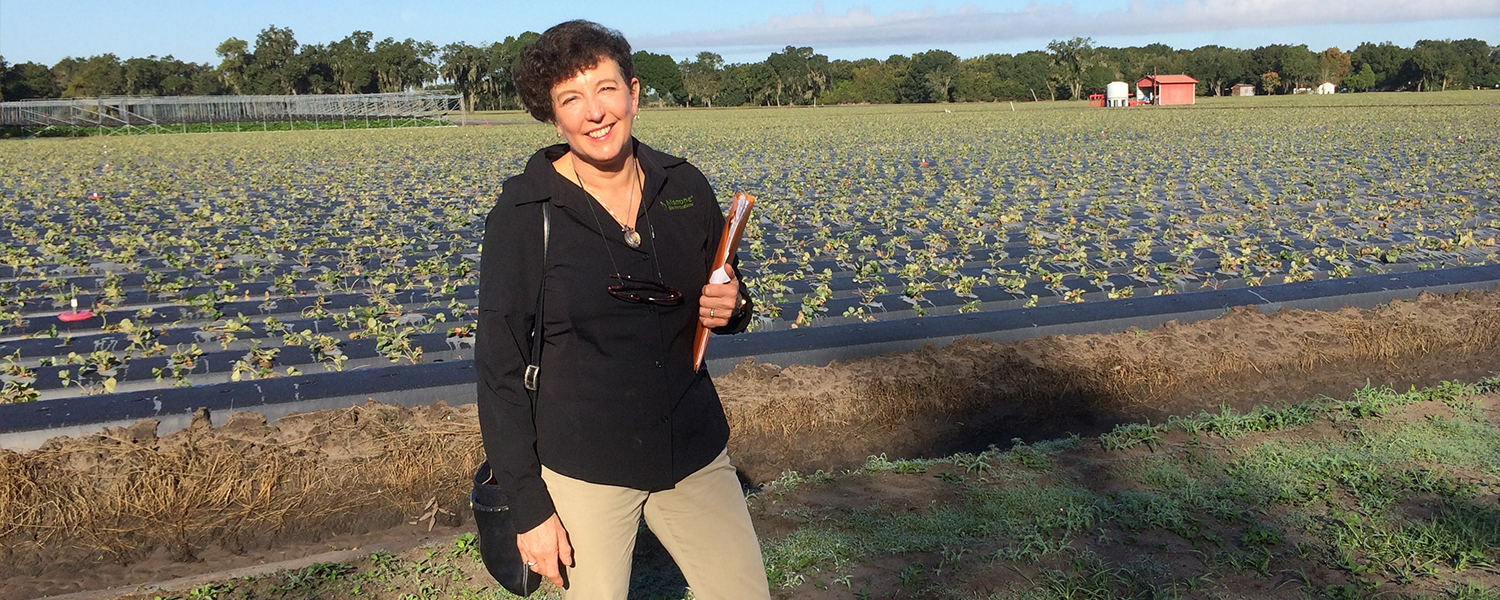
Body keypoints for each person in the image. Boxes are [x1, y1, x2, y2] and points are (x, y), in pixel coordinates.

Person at [474, 19, 770, 600]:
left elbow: (724, 291)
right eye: (571, 99)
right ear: (554, 117)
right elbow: (499, 370)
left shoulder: (684, 188)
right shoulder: (525, 213)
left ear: (634, 94)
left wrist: (732, 307)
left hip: (691, 449)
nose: (595, 112)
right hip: (585, 465)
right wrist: (531, 510)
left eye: (606, 89)